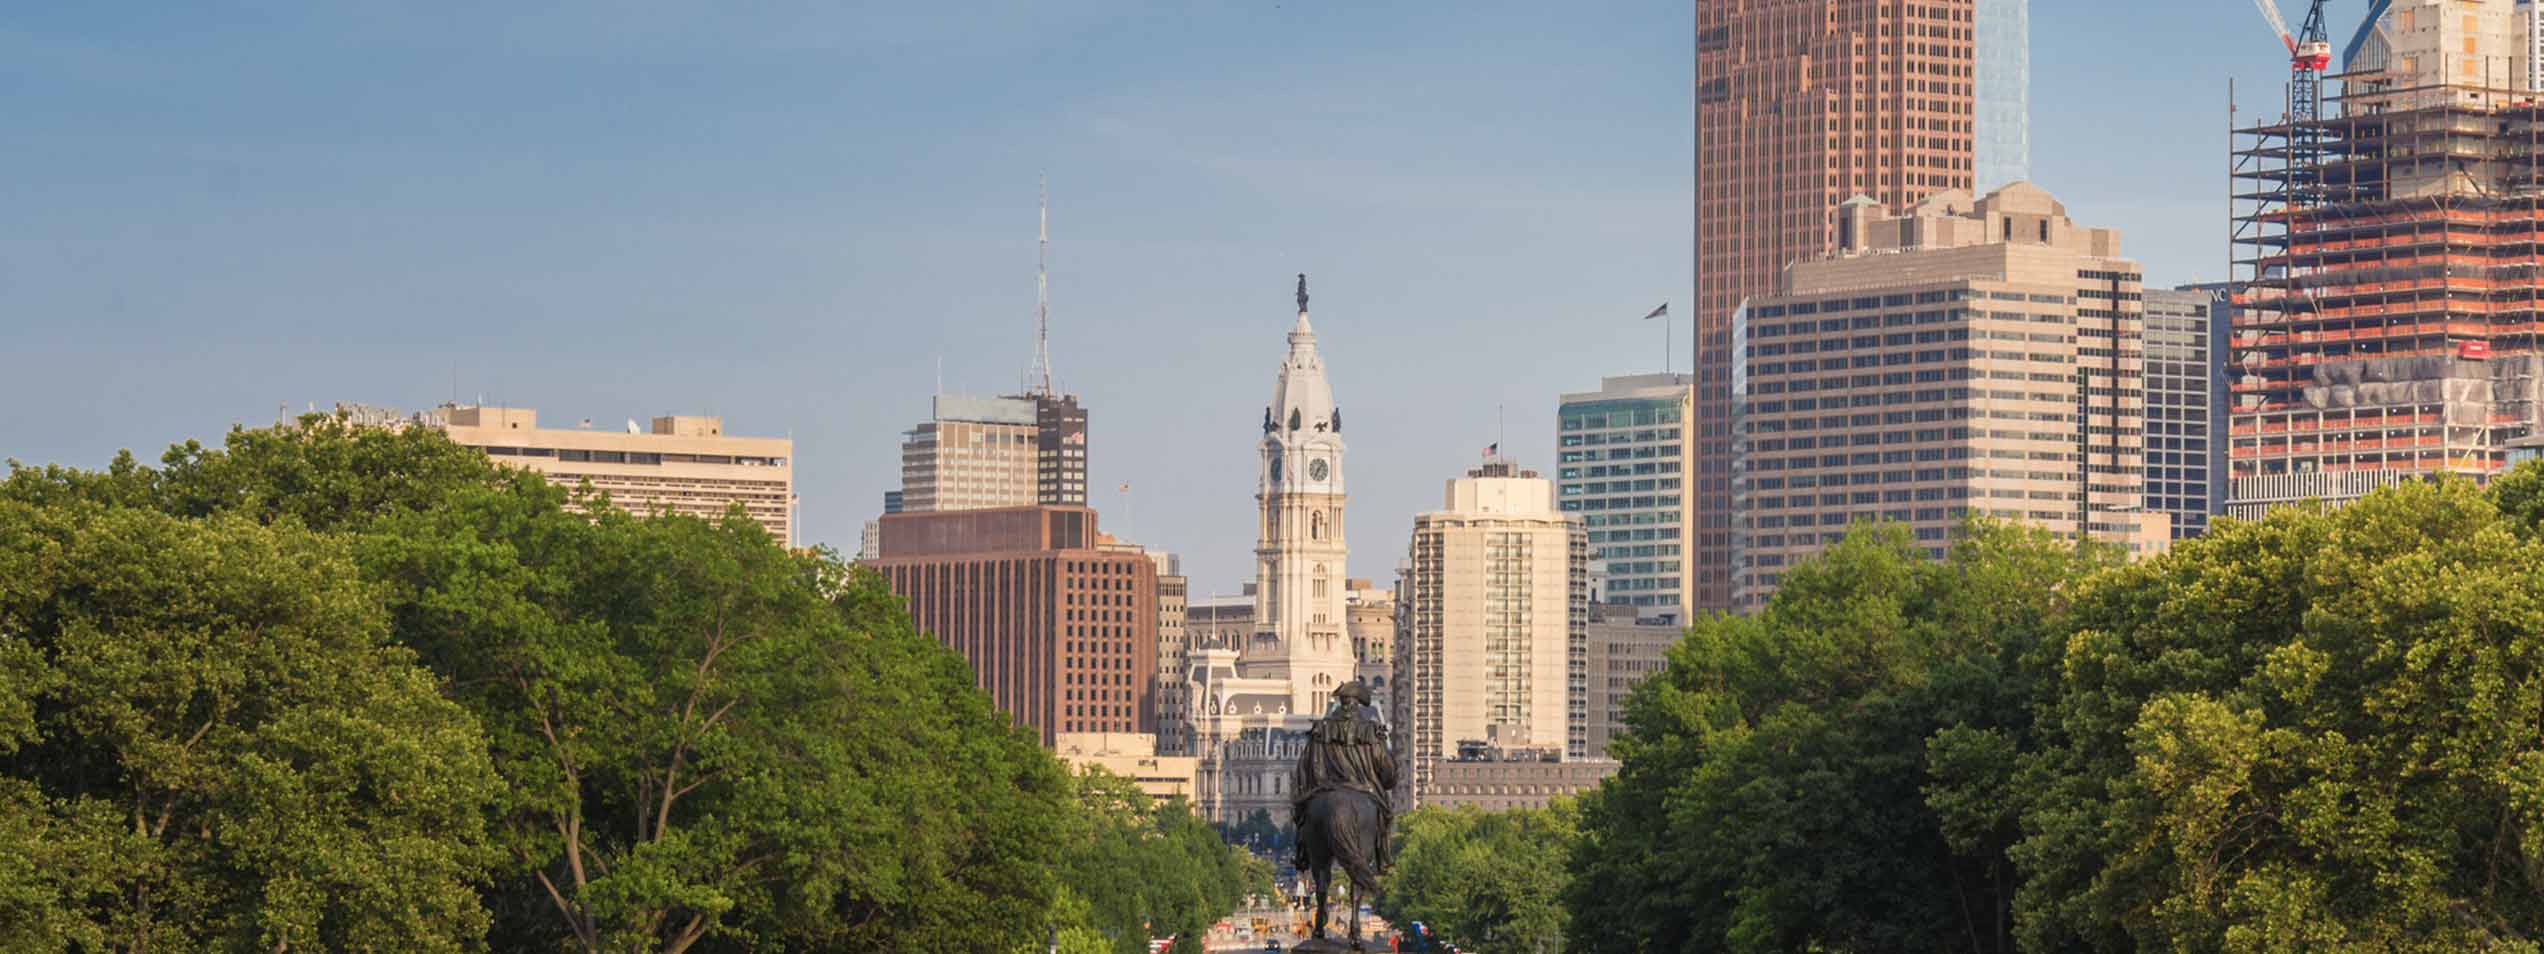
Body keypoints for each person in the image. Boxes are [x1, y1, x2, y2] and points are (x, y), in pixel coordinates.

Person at [1288, 680, 1397, 872]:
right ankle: (1384, 857)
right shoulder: (1371, 730)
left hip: (1325, 787)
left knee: (1303, 816)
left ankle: (1302, 854)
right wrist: (1386, 780)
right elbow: (1386, 769)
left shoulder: (1322, 728)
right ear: (1357, 704)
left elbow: (1306, 764)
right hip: (1364, 787)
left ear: (1342, 703)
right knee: (1385, 815)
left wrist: (1310, 790)